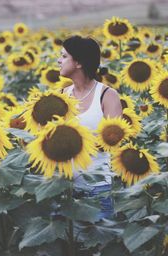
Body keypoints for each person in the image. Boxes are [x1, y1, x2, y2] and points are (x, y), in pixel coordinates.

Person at [57, 35, 122, 219]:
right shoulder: (61, 96)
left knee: (99, 241)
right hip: (65, 187)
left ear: (78, 63)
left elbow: (113, 141)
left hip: (97, 187)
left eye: (64, 56)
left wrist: (76, 141)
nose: (59, 60)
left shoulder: (107, 95)